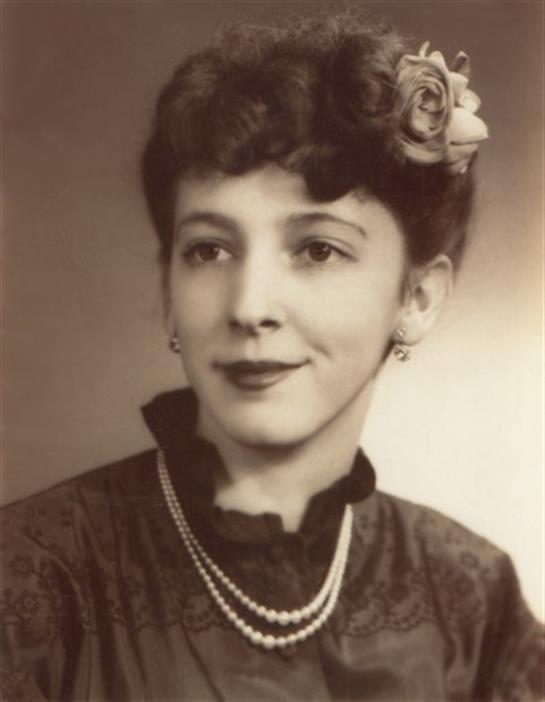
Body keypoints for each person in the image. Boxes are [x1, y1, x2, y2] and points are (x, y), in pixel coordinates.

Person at [1, 9, 543, 702]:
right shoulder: (33, 581)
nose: (249, 305)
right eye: (209, 249)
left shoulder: (473, 602)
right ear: (168, 292)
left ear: (416, 297)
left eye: (317, 249)